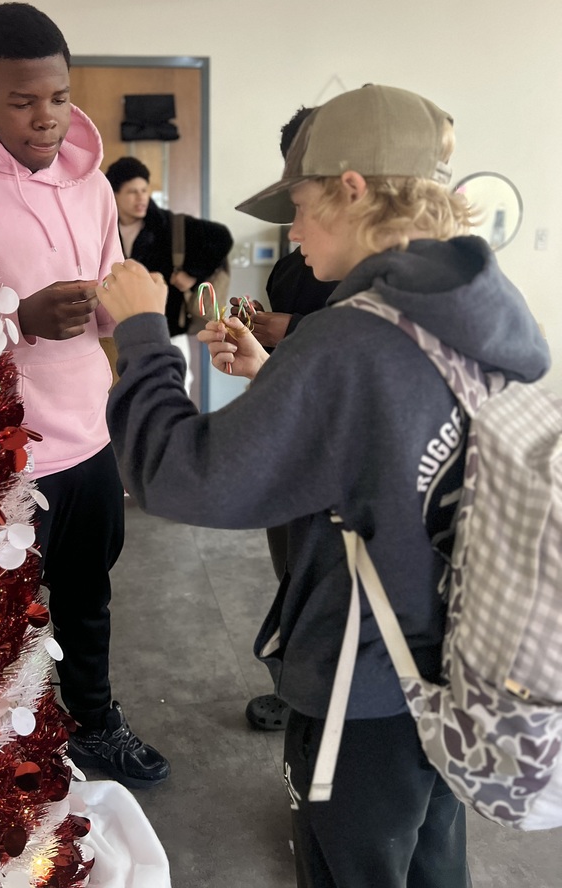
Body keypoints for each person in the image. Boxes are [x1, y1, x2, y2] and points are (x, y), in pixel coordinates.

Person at [96, 84, 550, 886]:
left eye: (299, 205)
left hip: (364, 684)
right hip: (462, 661)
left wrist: (142, 331)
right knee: (431, 859)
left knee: (352, 867)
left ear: (351, 189)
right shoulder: (473, 309)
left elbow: (183, 478)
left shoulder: (349, 338)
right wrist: (281, 379)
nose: (291, 232)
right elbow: (393, 443)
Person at [0, 2, 169, 788]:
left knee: (88, 600)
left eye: (58, 96)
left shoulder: (93, 182)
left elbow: (110, 279)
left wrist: (125, 302)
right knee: (0, 626)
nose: (46, 118)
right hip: (2, 455)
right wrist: (20, 317)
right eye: (22, 101)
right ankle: (7, 762)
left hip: (90, 434)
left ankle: (93, 723)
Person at [236, 107, 339, 734]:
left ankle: (317, 699)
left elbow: (351, 338)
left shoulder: (380, 284)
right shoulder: (304, 251)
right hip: (291, 431)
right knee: (294, 571)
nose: (295, 228)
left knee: (323, 578)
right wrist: (260, 344)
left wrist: (288, 330)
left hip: (322, 448)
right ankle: (300, 689)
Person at [104, 156, 232, 390]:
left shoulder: (170, 225)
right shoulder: (103, 227)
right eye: (132, 191)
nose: (141, 197)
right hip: (115, 332)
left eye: (144, 190)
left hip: (168, 328)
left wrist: (192, 273)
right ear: (114, 194)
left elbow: (221, 237)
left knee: (174, 388)